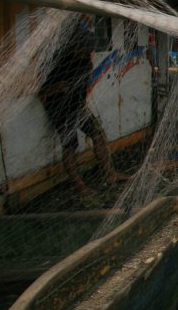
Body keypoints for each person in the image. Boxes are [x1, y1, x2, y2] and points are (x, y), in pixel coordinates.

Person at [38, 15, 127, 196]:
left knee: (98, 134)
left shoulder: (85, 60)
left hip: (78, 105)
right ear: (74, 46)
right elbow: (41, 91)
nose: (87, 52)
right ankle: (80, 186)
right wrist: (57, 87)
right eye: (84, 49)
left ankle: (109, 174)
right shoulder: (58, 61)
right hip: (59, 108)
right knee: (70, 146)